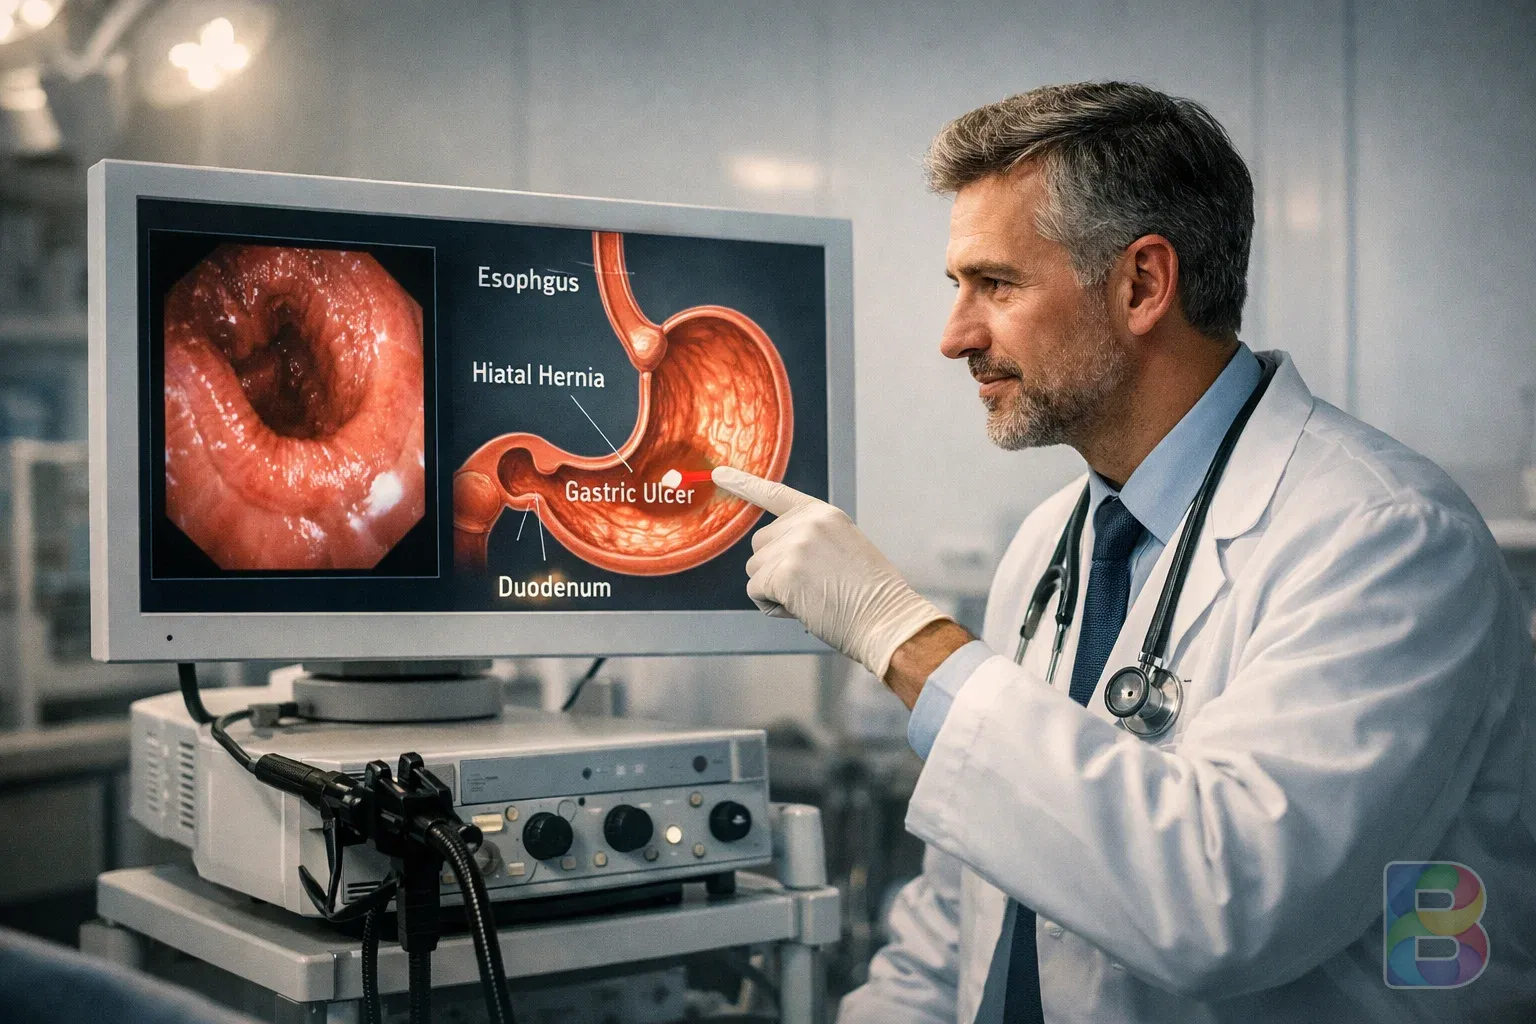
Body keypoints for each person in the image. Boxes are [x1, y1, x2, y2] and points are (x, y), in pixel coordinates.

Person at [711, 82, 1536, 1023]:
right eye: (959, 288)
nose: (954, 337)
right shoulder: (1052, 543)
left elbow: (1228, 903)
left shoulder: (1384, 538)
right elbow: (964, 919)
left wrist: (902, 639)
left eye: (998, 284)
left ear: (1142, 284)